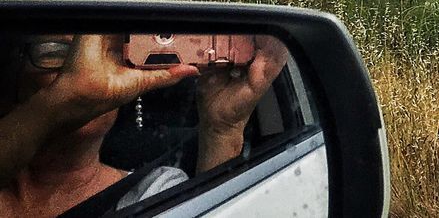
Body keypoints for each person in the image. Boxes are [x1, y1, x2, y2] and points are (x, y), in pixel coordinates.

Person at [0, 34, 286, 217]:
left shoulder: (155, 193)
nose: (84, 72)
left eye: (105, 59)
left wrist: (222, 130)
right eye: (55, 52)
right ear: (11, 77)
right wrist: (56, 105)